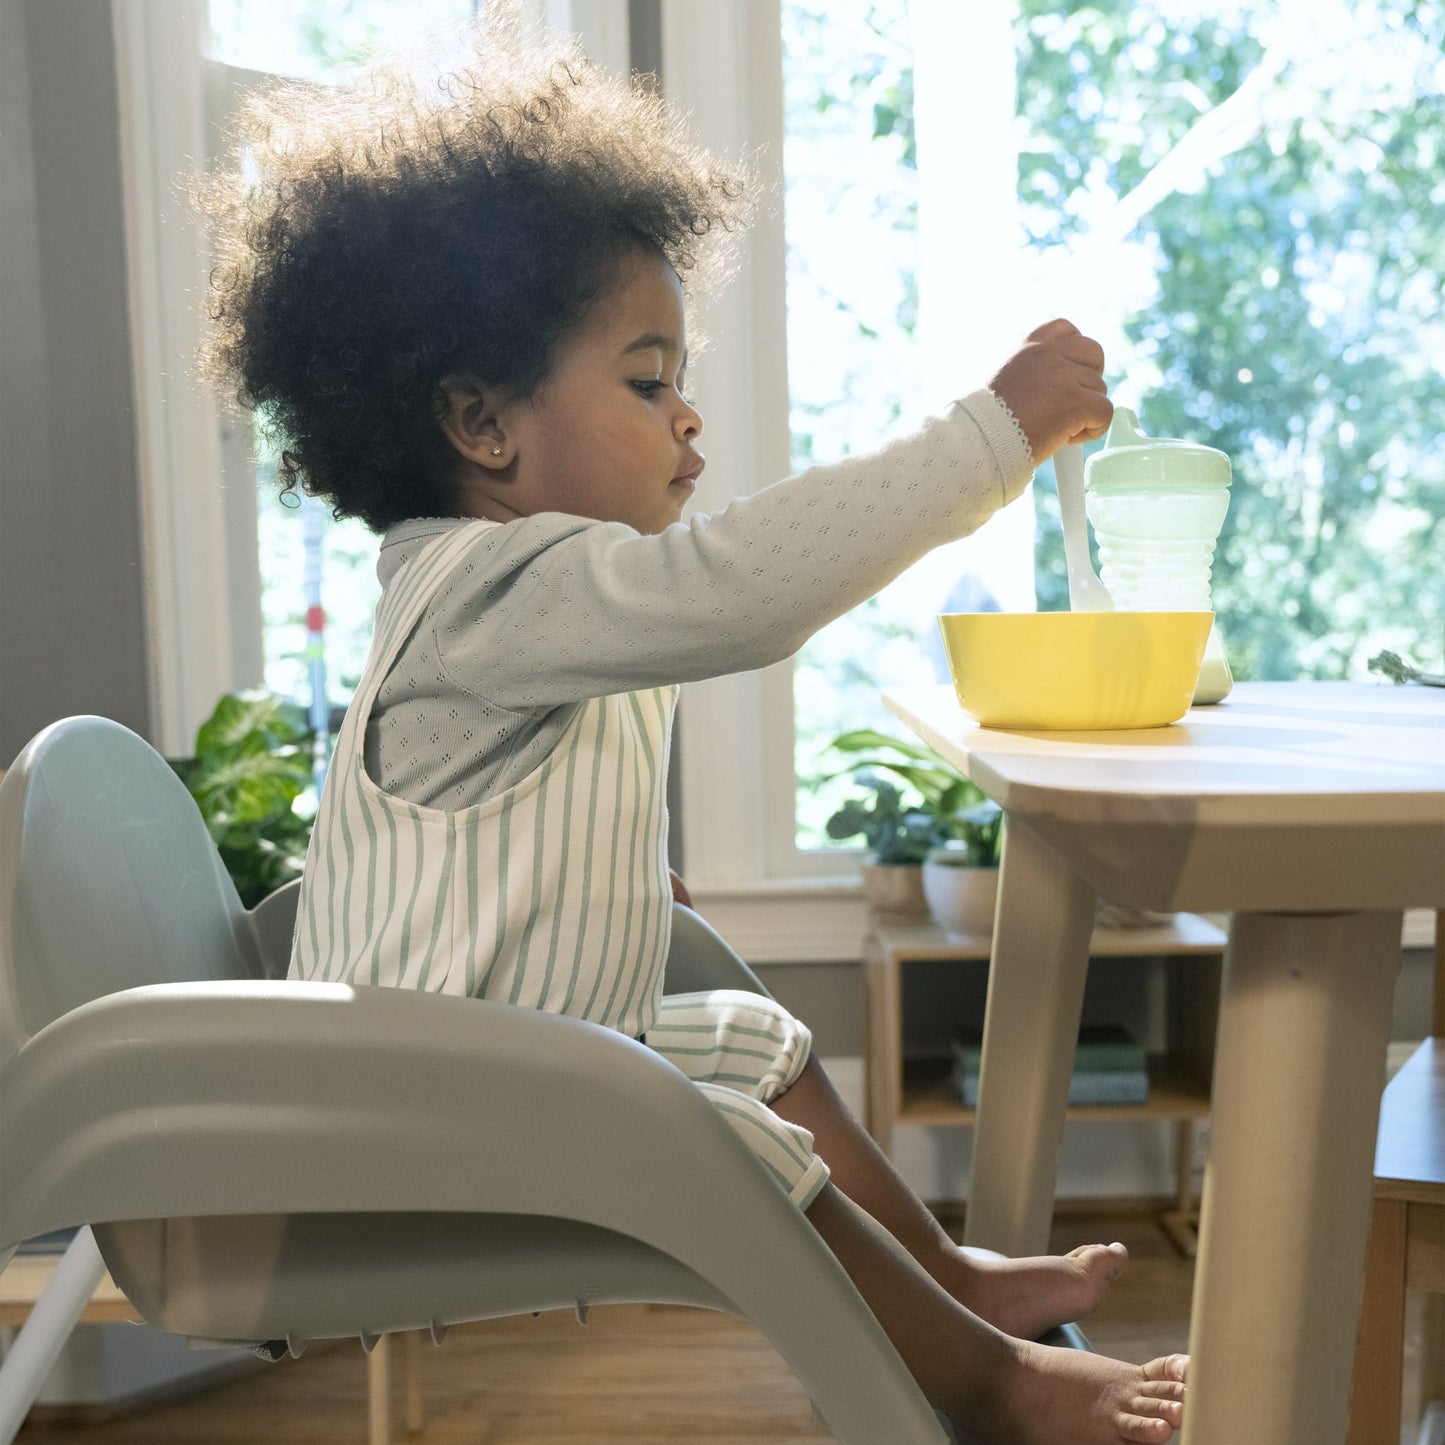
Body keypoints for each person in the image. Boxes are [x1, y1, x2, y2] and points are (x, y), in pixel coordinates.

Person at [200, 16, 1186, 1443]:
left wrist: (601, 882)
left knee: (747, 1042)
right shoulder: (493, 585)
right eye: (649, 380)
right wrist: (991, 434)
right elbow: (743, 590)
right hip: (412, 1123)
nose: (690, 425)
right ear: (480, 420)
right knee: (705, 1122)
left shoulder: (520, 594)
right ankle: (984, 1383)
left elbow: (517, 810)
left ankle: (941, 1275)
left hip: (499, 1065)